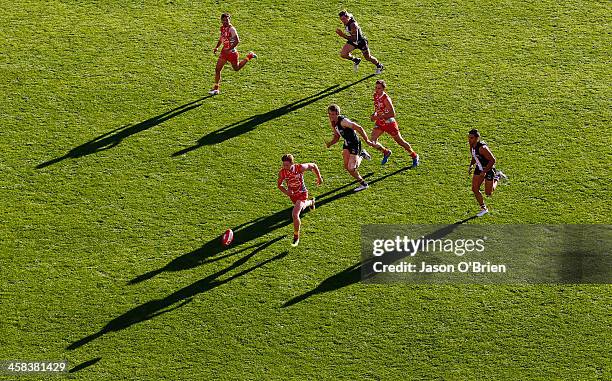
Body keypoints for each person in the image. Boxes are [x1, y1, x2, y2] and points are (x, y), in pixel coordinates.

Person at [326, 104, 381, 192]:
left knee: (351, 168)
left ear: (337, 113)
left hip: (355, 144)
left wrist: (367, 140)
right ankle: (362, 155)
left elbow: (359, 128)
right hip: (347, 144)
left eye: (333, 114)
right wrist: (330, 143)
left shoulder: (344, 121)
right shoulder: (333, 122)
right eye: (329, 114)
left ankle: (364, 184)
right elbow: (337, 136)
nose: (331, 116)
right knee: (347, 166)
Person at [369, 80, 419, 168]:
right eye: (376, 88)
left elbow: (392, 114)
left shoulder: (386, 99)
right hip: (380, 123)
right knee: (372, 141)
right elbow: (377, 108)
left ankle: (414, 156)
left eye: (379, 88)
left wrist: (377, 117)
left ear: (383, 89)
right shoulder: (375, 95)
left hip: (389, 123)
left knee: (400, 141)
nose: (377, 90)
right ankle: (386, 152)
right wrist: (374, 114)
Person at [277, 154, 323, 247]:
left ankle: (296, 236)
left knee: (295, 214)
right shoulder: (282, 172)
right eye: (283, 165)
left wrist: (319, 178)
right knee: (301, 208)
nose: (284, 167)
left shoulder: (300, 167)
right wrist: (287, 192)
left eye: (286, 165)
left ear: (292, 163)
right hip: (293, 196)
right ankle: (311, 202)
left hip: (302, 193)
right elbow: (279, 185)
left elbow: (313, 165)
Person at [208, 13, 257, 95]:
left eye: (227, 20)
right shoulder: (222, 28)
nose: (225, 21)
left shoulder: (232, 29)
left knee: (236, 68)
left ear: (229, 20)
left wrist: (229, 49)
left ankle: (249, 56)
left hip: (232, 53)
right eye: (223, 20)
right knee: (217, 69)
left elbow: (237, 40)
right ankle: (216, 89)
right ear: (221, 20)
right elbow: (221, 39)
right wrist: (217, 47)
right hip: (224, 52)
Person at [468, 129, 507, 216]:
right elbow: (474, 157)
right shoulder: (472, 146)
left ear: (477, 138)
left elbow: (493, 160)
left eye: (471, 138)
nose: (469, 139)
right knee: (474, 189)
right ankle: (483, 208)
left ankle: (497, 176)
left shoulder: (483, 148)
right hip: (479, 169)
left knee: (488, 193)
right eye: (469, 137)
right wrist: (471, 165)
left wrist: (485, 171)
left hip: (488, 170)